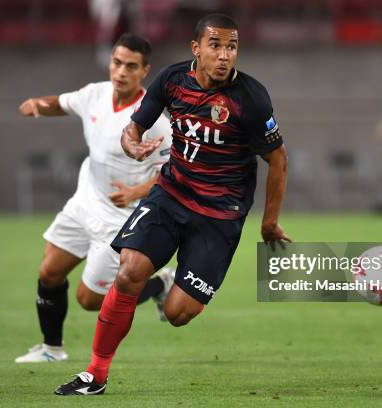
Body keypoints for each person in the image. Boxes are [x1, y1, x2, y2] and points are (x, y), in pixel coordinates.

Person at [55, 14, 290, 395]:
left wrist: (269, 222)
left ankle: (168, 286)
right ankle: (95, 374)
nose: (225, 55)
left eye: (231, 46)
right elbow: (133, 130)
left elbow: (277, 158)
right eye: (215, 45)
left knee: (180, 314)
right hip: (171, 194)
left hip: (219, 214)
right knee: (129, 270)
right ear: (195, 48)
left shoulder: (251, 97)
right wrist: (133, 147)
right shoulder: (171, 80)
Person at [14, 33, 175, 363]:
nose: (121, 72)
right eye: (117, 63)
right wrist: (37, 106)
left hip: (121, 219)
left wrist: (135, 192)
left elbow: (171, 176)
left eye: (131, 66)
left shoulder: (156, 121)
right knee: (49, 272)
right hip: (85, 200)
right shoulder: (94, 94)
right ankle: (51, 349)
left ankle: (160, 284)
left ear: (145, 71)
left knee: (89, 299)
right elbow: (61, 103)